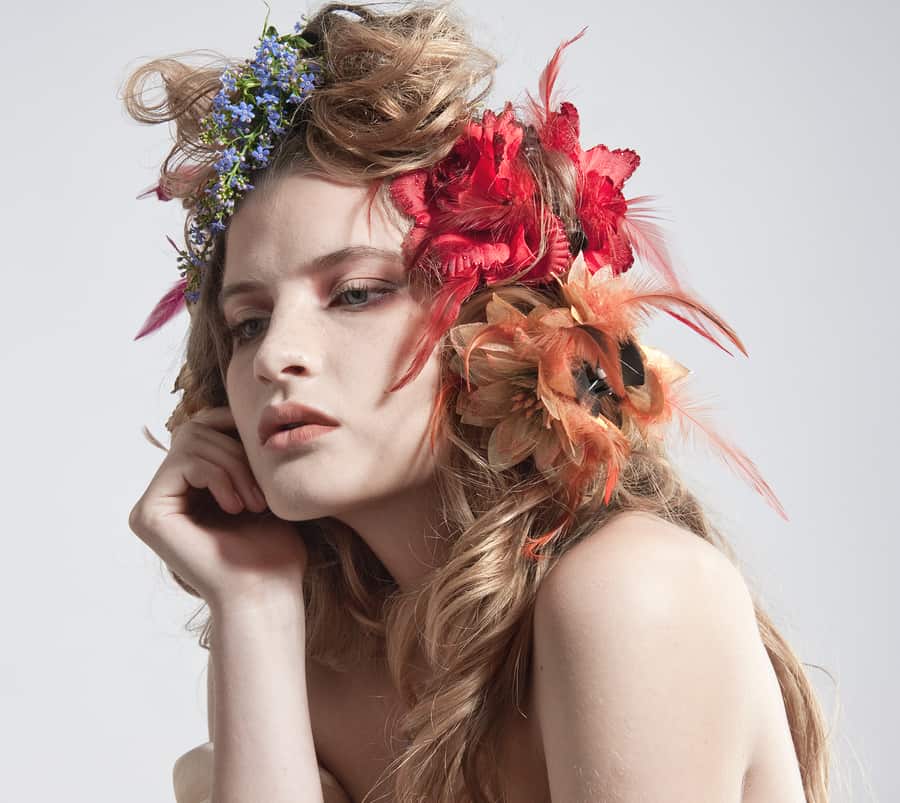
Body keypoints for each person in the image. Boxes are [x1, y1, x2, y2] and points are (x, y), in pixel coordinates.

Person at [121, 2, 832, 801]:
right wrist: (252, 605)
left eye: (355, 294)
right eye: (249, 321)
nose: (277, 355)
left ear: (496, 320)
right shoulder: (321, 665)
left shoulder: (632, 590)